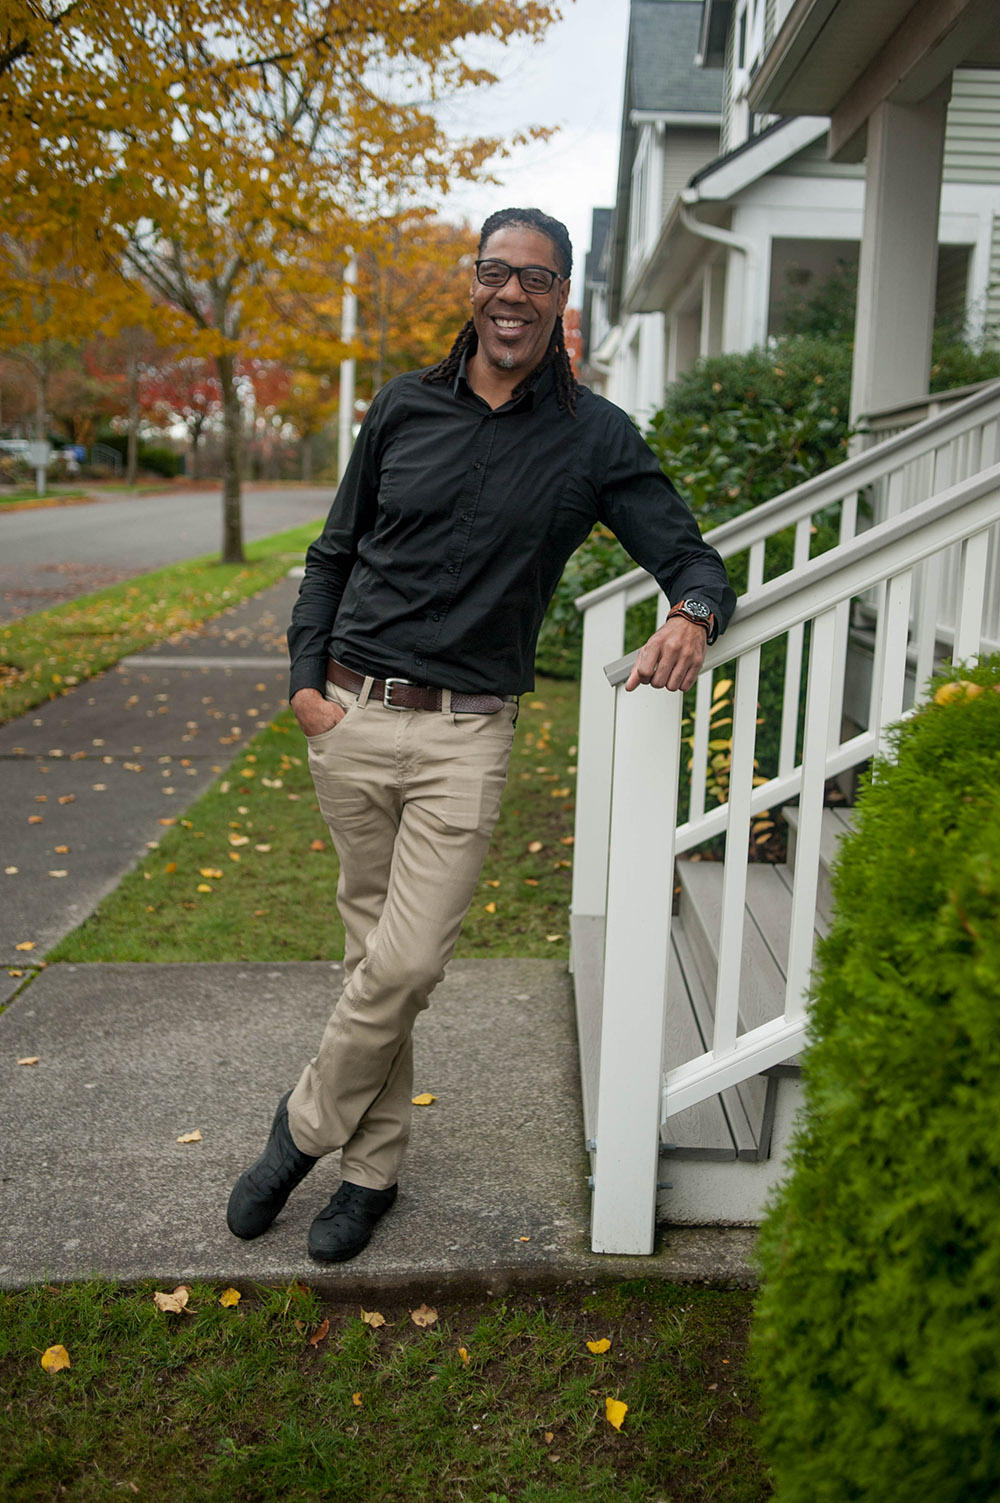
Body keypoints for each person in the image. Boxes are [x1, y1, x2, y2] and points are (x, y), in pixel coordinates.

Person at [227, 207, 736, 1263]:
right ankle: (371, 1173)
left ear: (561, 303)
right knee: (375, 958)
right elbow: (333, 552)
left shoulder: (594, 437)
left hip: (466, 738)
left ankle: (300, 1131)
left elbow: (690, 558)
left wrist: (691, 614)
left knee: (405, 965)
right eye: (495, 272)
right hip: (352, 718)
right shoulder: (404, 407)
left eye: (535, 279)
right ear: (472, 284)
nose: (512, 294)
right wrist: (304, 685)